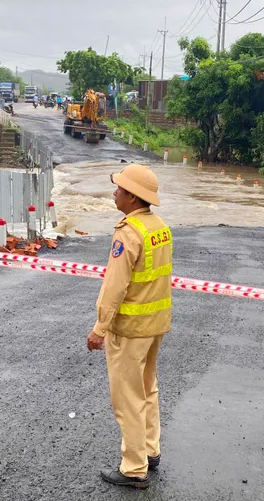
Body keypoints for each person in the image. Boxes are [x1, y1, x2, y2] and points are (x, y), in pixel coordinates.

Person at [87, 164, 171, 490]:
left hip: (131, 328)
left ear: (132, 197)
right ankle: (150, 451)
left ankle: (134, 467)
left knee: (127, 398)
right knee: (148, 389)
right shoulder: (159, 227)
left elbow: (115, 287)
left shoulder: (128, 232)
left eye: (119, 188)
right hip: (155, 325)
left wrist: (100, 328)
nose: (114, 192)